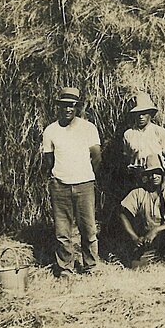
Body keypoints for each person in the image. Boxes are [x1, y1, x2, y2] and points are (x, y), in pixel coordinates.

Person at [41, 87, 101, 278]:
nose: (68, 109)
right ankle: (66, 268)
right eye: (65, 105)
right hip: (60, 186)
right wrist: (57, 177)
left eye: (72, 106)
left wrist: (88, 175)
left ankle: (91, 266)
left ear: (77, 107)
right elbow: (48, 160)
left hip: (84, 185)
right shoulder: (50, 131)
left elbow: (97, 156)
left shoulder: (88, 128)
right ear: (59, 107)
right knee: (62, 231)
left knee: (89, 228)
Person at [118, 154, 165, 267]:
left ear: (163, 173)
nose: (154, 176)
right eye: (150, 173)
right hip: (149, 238)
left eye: (157, 172)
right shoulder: (139, 192)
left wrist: (156, 230)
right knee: (136, 265)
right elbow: (122, 214)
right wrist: (134, 237)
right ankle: (157, 258)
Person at [122, 91, 165, 174]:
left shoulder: (160, 132)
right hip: (136, 174)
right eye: (138, 114)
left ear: (150, 114)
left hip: (155, 174)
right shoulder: (129, 134)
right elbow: (127, 156)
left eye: (144, 113)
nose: (141, 117)